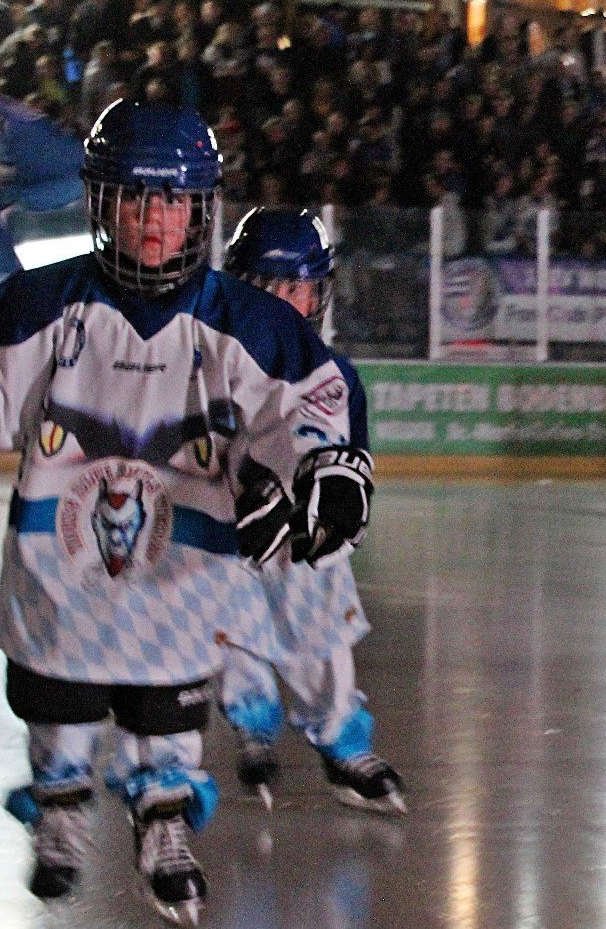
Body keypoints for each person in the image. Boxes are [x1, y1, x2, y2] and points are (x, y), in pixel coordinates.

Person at [0, 102, 373, 925]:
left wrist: (327, 471)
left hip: (186, 556)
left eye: (172, 201)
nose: (155, 220)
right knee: (56, 696)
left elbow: (309, 403)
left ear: (200, 209)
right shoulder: (36, 303)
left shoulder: (249, 323)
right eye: (136, 199)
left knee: (165, 704)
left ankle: (164, 823)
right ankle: (59, 811)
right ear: (101, 203)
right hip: (58, 549)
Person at [217, 207, 406, 816]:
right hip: (229, 529)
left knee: (321, 621)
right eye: (281, 289)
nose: (296, 303)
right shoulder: (204, 363)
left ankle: (341, 741)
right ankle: (252, 722)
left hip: (299, 537)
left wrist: (330, 523)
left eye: (306, 289)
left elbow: (352, 465)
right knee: (224, 610)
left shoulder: (336, 376)